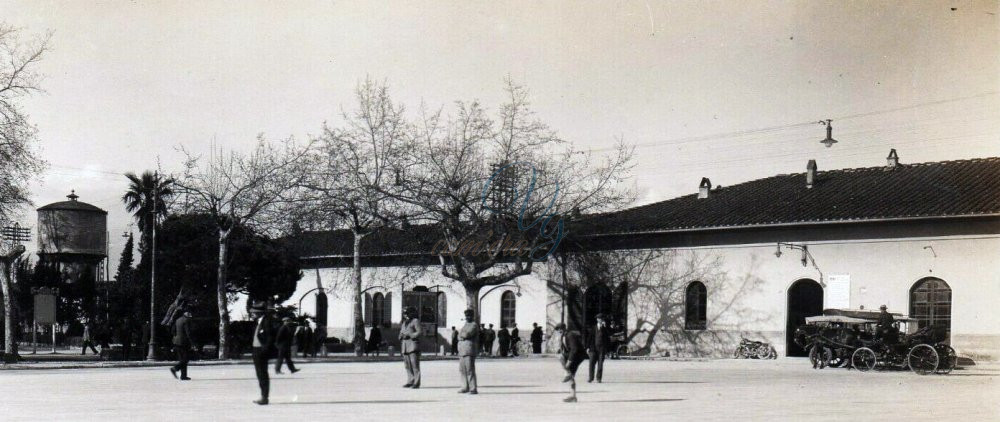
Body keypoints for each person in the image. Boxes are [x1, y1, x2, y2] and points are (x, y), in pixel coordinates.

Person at [250, 302, 277, 405]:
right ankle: (263, 396)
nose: (252, 314)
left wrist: (264, 350)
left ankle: (264, 397)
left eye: (254, 312)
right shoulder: (258, 322)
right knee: (260, 374)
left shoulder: (266, 322)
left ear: (259, 313)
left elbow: (270, 337)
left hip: (261, 351)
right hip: (256, 350)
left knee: (262, 374)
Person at [555, 323, 587, 403]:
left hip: (578, 356)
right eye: (557, 329)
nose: (559, 330)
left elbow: (574, 349)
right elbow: (564, 348)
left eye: (560, 329)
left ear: (564, 328)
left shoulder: (570, 335)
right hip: (573, 354)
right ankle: (573, 395)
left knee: (562, 360)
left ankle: (568, 374)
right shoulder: (563, 336)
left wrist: (569, 362)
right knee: (570, 374)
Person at [399, 306, 422, 388]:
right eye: (404, 314)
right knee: (407, 366)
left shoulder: (415, 321)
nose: (405, 315)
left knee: (415, 365)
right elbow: (401, 332)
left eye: (407, 313)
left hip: (413, 346)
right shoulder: (404, 323)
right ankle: (410, 380)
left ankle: (416, 382)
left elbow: (419, 332)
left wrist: (410, 335)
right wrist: (401, 336)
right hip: (405, 346)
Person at [457, 309, 479, 394]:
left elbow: (467, 334)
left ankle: (473, 388)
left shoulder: (474, 325)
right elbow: (459, 335)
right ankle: (464, 387)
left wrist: (462, 335)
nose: (467, 317)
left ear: (472, 316)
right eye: (466, 316)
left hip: (469, 350)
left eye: (469, 316)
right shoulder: (465, 324)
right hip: (462, 350)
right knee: (462, 370)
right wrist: (462, 336)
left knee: (470, 370)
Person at [169, 309, 193, 380]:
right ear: (186, 314)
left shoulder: (177, 320)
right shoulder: (186, 320)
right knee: (186, 359)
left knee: (182, 359)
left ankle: (183, 376)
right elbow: (188, 333)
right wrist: (192, 343)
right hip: (184, 342)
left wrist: (176, 337)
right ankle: (175, 368)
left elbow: (173, 331)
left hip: (176, 342)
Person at [588, 314, 611, 383]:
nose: (600, 320)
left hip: (602, 349)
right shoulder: (593, 328)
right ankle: (590, 378)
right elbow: (589, 338)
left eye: (602, 318)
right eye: (599, 318)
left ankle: (599, 378)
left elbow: (608, 339)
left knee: (600, 364)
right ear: (597, 319)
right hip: (593, 348)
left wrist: (607, 350)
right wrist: (587, 347)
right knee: (591, 363)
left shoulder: (605, 329)